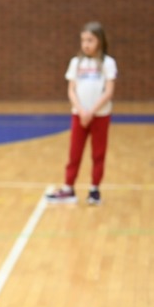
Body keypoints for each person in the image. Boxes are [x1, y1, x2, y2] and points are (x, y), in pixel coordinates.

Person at [45, 21, 117, 206]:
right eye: (83, 40)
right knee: (74, 153)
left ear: (100, 41)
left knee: (98, 154)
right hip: (79, 115)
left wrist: (91, 112)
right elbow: (71, 90)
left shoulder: (108, 63)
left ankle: (94, 190)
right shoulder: (76, 63)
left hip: (100, 116)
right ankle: (68, 188)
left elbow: (109, 91)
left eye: (90, 40)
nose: (86, 44)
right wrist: (82, 111)